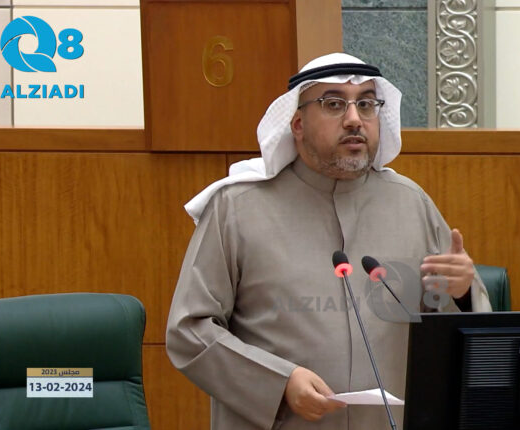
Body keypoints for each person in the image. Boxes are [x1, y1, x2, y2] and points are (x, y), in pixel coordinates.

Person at [166, 53, 492, 430]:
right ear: (298, 124)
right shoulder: (237, 208)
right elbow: (189, 330)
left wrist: (463, 293)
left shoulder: (411, 202)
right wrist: (278, 383)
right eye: (334, 104)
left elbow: (462, 332)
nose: (354, 119)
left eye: (366, 104)